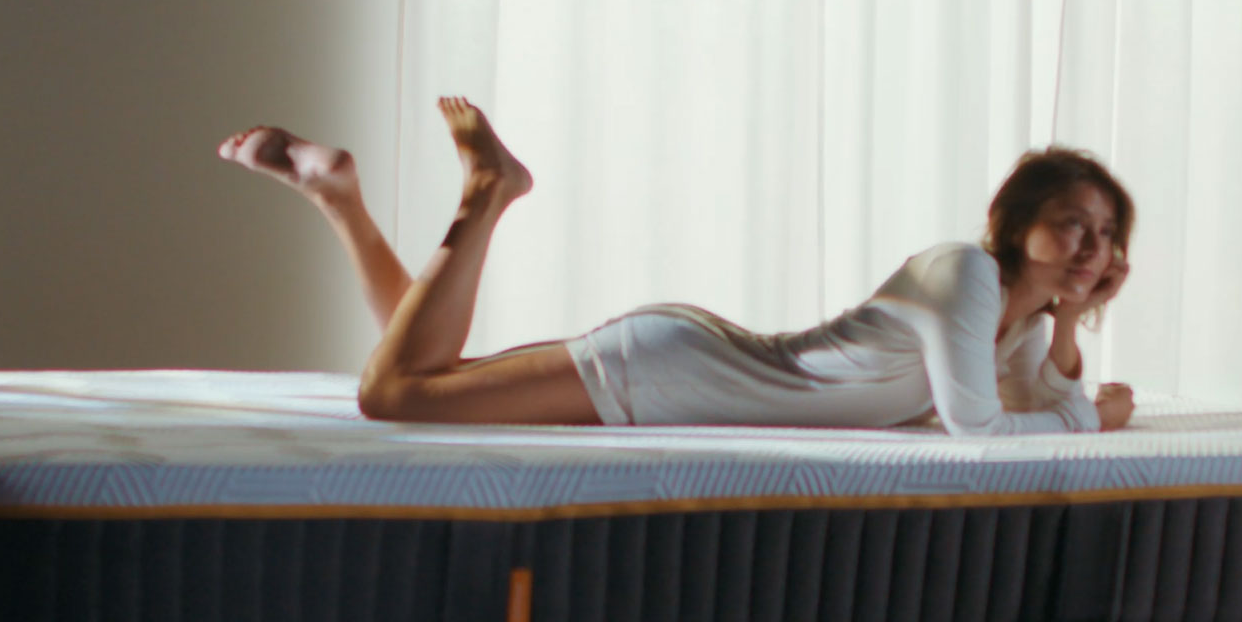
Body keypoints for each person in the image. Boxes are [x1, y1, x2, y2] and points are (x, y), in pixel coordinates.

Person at [217, 98, 1138, 435]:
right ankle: (488, 192)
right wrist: (1088, 423)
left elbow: (1029, 402)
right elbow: (979, 431)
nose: (1094, 247)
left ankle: (338, 197)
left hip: (690, 360)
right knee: (395, 396)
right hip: (669, 372)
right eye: (1072, 224)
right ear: (1017, 225)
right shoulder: (967, 278)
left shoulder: (1012, 314)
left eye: (1106, 234)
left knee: (426, 373)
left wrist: (1065, 326)